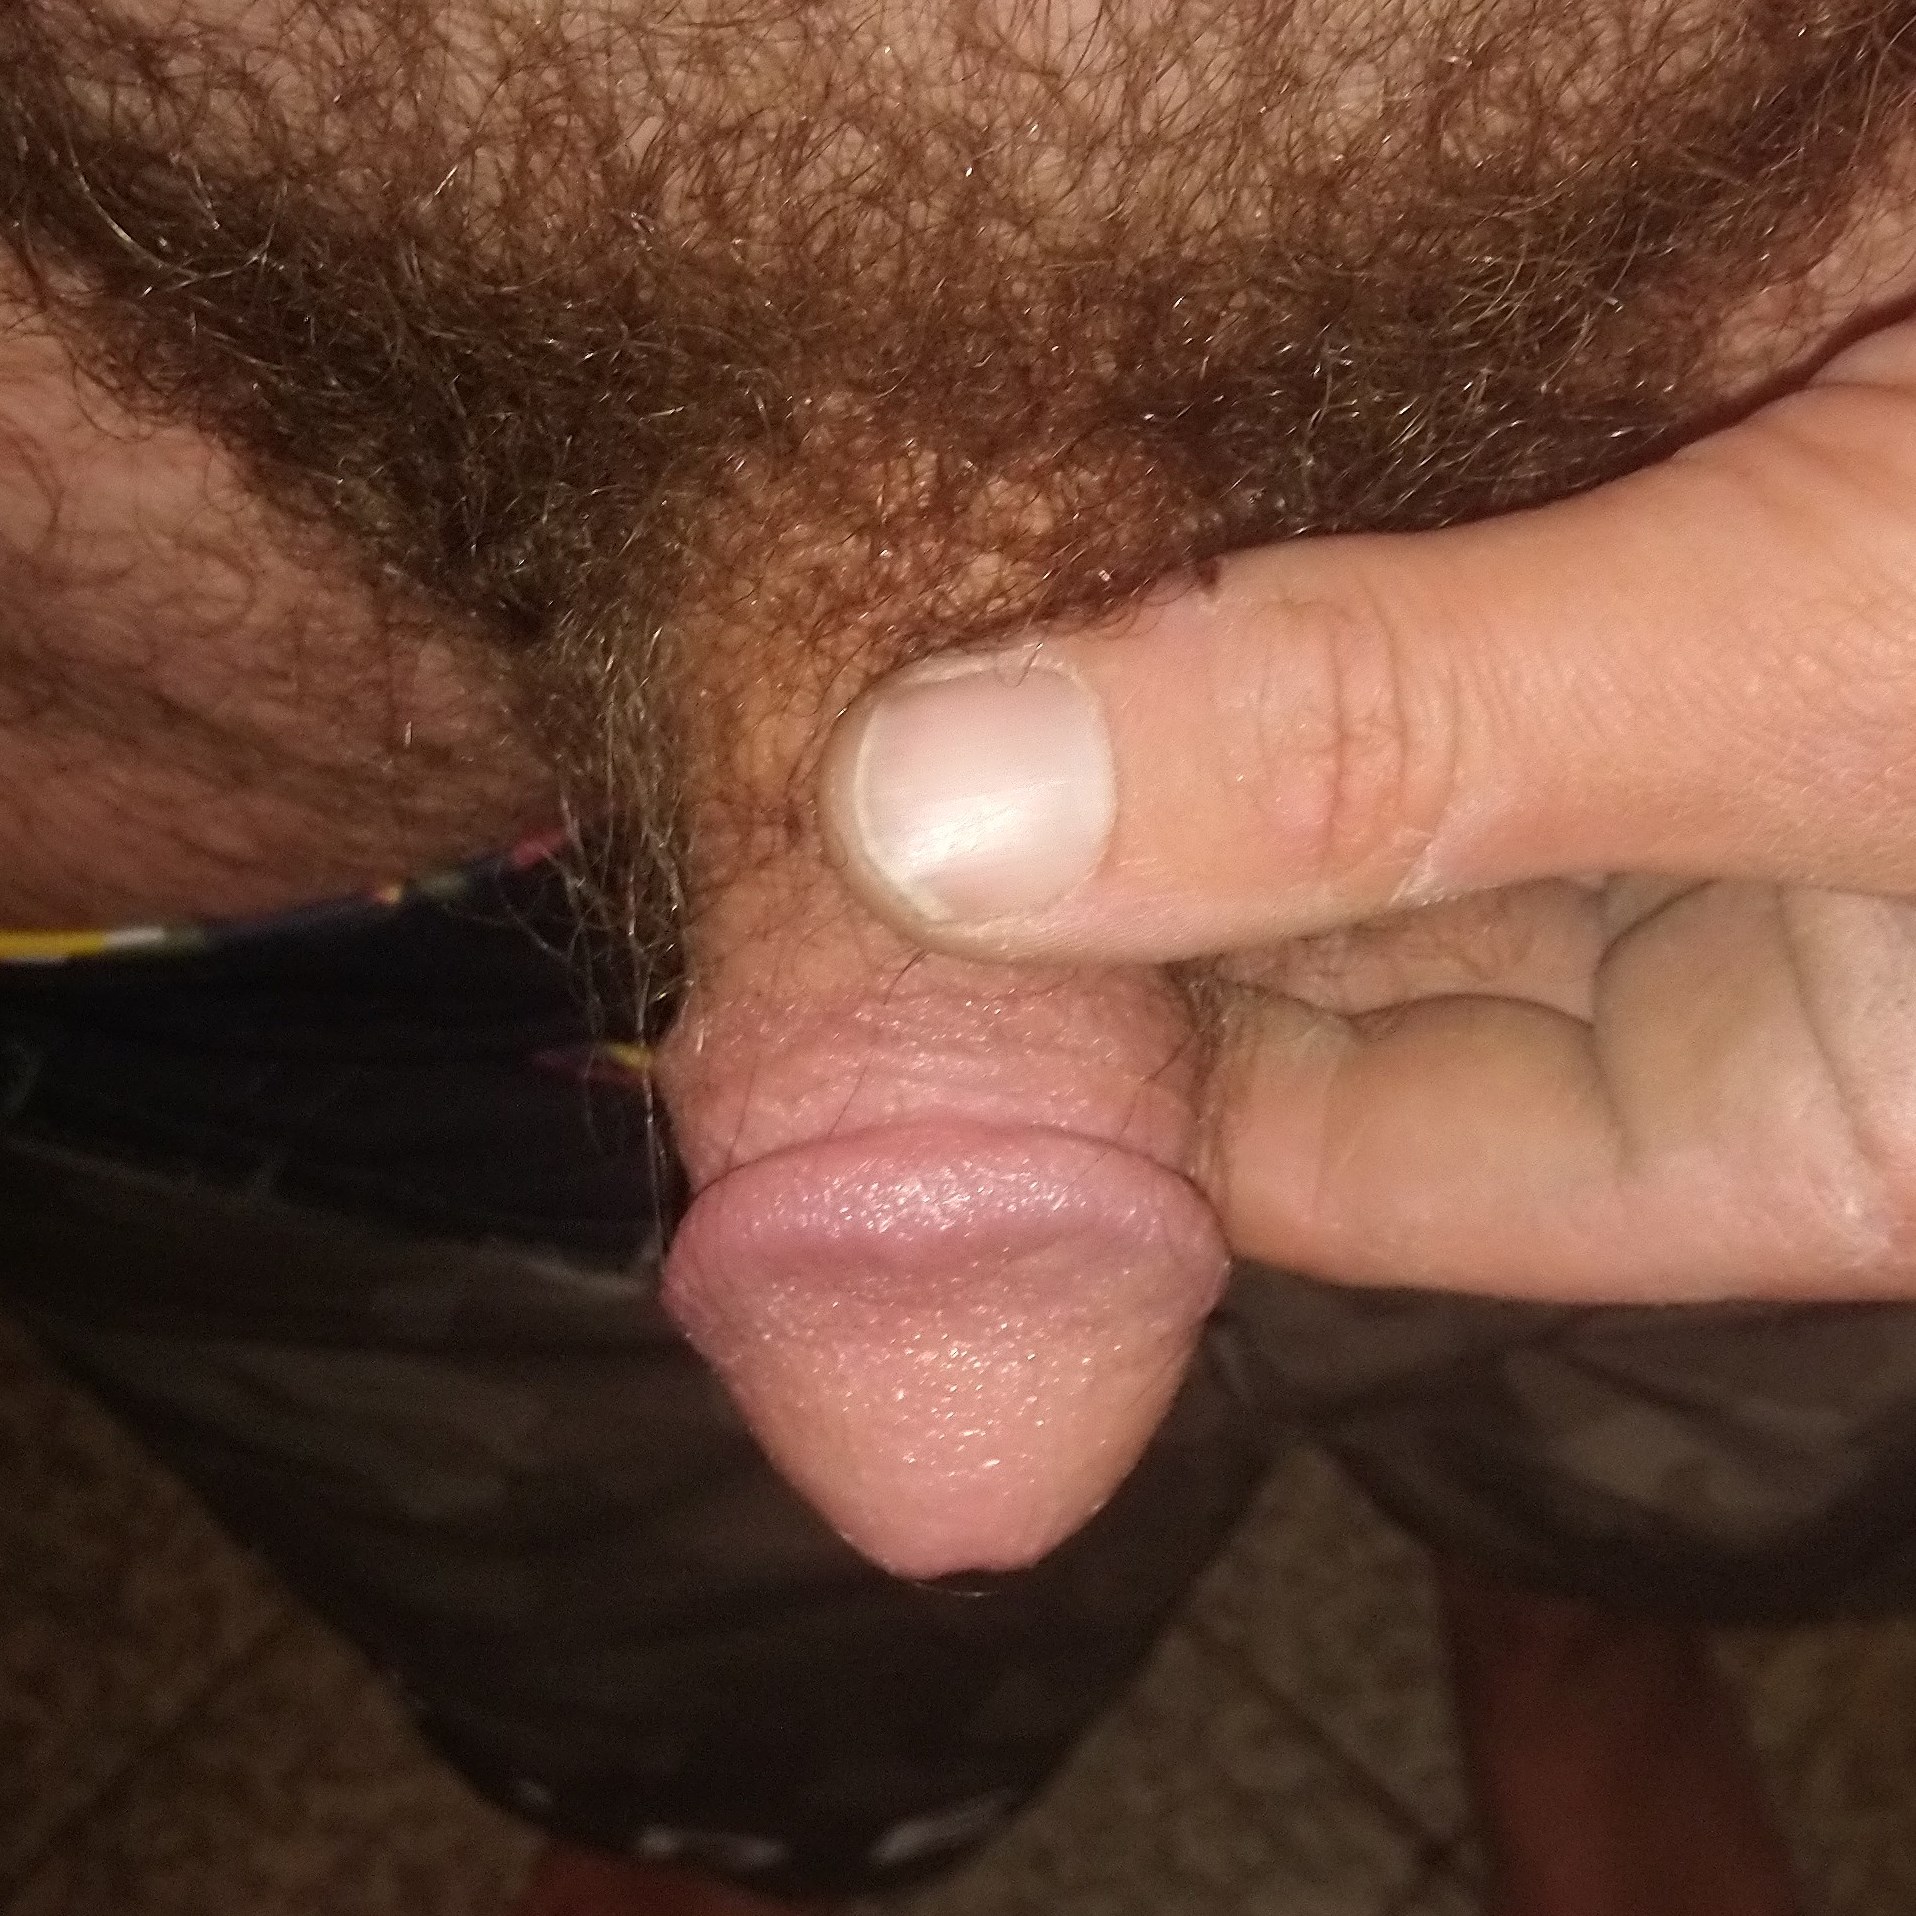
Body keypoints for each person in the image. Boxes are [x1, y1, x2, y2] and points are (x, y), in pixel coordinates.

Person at [1, 2, 1914, 1912]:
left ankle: (1566, 1617)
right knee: (719, 1692)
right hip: (344, 1024)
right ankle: (755, 1817)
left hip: (1765, 769)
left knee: (1631, 1455)